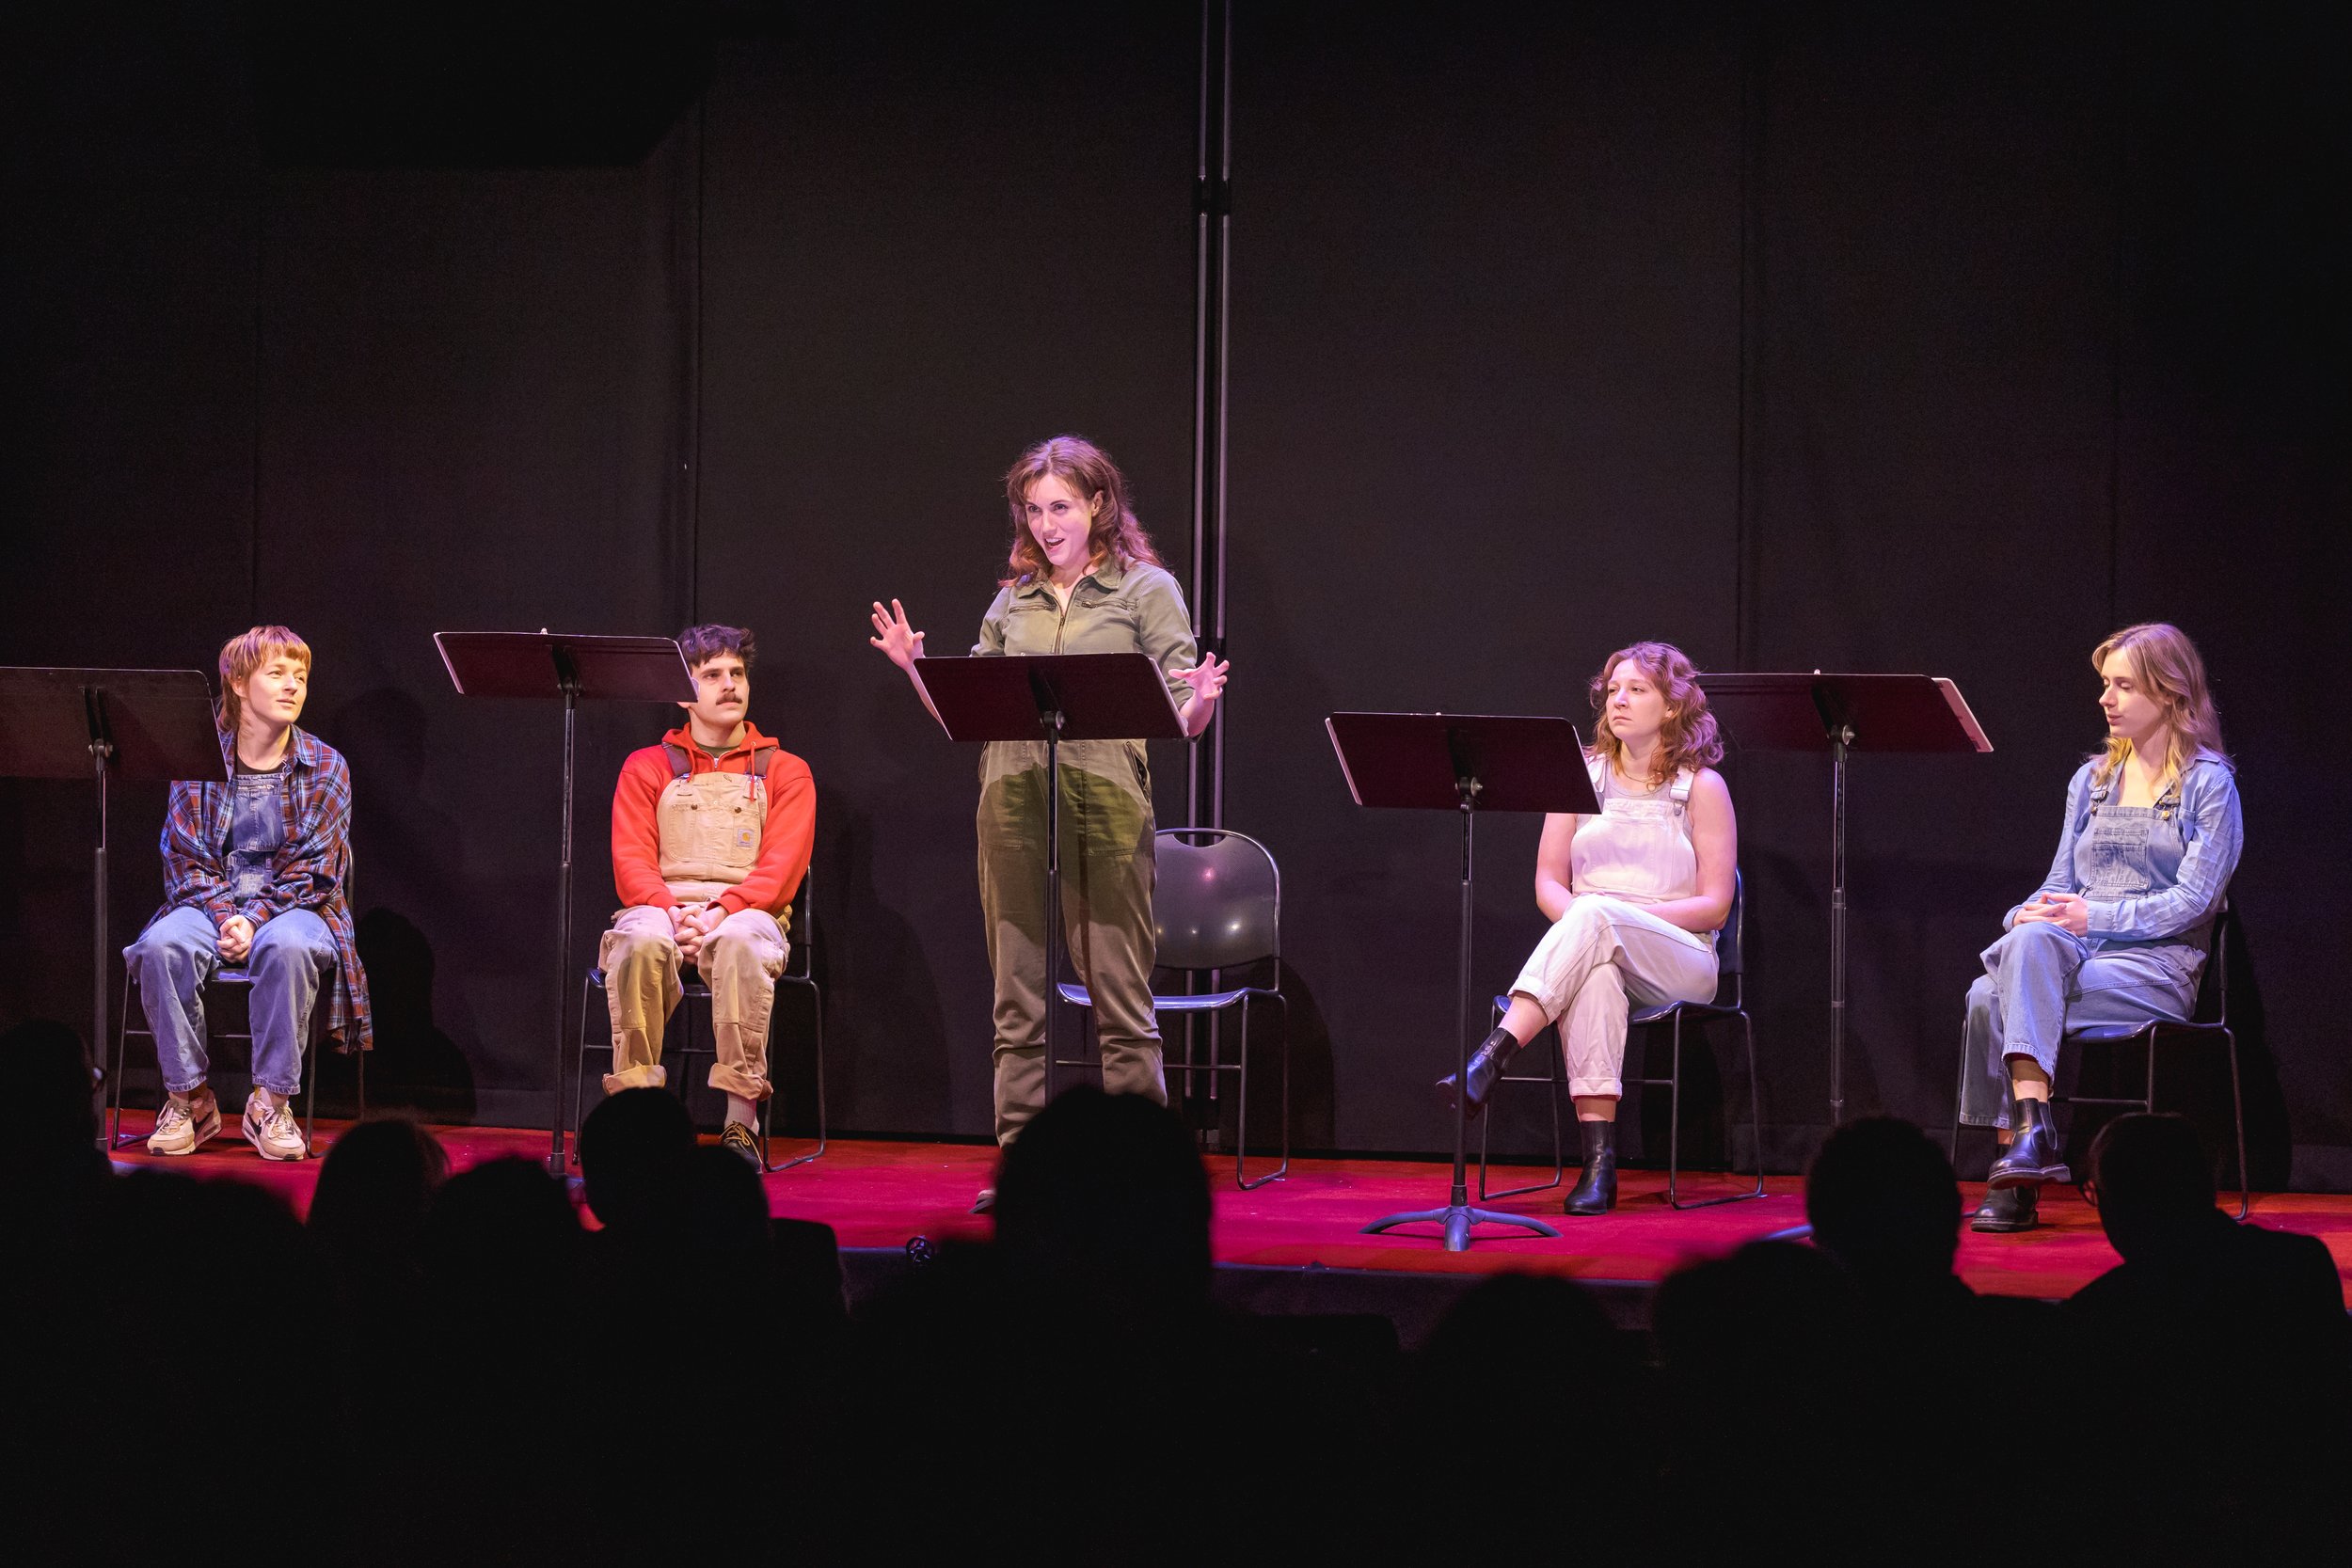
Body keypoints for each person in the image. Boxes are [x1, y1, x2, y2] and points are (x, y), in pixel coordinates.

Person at [870, 436, 1229, 1211]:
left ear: (1098, 504)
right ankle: (1023, 1169)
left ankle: (1136, 1171)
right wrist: (916, 668)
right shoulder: (1013, 600)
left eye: (1060, 506)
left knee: (1119, 993)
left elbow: (1185, 718)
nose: (1045, 524)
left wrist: (1199, 698)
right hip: (1012, 797)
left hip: (1105, 801)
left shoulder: (1146, 589)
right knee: (1017, 994)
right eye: (1033, 510)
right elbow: (965, 714)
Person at [1959, 624, 2242, 1232]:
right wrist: (2022, 914)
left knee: (1990, 992)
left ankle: (2010, 1168)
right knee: (2024, 947)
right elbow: (2058, 881)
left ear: (2169, 694)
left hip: (2157, 966)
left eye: (2122, 686)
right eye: (2104, 684)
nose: (2105, 699)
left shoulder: (2208, 785)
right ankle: (2027, 1144)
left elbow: (2195, 901)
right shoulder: (2091, 782)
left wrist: (2096, 916)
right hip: (2070, 952)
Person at [1438, 641, 1735, 1214]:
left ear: (1672, 706)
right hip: (1596, 946)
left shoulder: (1701, 788)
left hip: (1682, 958)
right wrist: (1598, 921)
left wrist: (1616, 916)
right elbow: (1549, 882)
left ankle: (1495, 1052)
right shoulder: (1578, 775)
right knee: (1595, 976)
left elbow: (1715, 906)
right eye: (1613, 689)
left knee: (1596, 915)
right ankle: (1599, 1165)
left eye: (1637, 690)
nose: (1618, 700)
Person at [123, 626, 369, 1160]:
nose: (292, 687)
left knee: (289, 947)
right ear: (237, 682)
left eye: (300, 676)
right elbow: (185, 857)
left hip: (297, 906)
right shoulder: (195, 756)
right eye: (276, 673)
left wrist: (253, 920)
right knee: (159, 947)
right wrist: (225, 916)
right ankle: (189, 1098)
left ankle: (270, 1105)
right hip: (207, 902)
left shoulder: (327, 767)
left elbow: (313, 871)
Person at [600, 624, 815, 1164]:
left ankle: (740, 1126)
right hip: (660, 908)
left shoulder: (786, 772)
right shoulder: (646, 765)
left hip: (749, 912)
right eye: (712, 675)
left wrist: (720, 912)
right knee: (637, 945)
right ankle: (637, 1122)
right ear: (683, 690)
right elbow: (631, 863)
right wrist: (675, 914)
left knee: (742, 945)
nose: (729, 686)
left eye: (737, 674)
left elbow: (781, 871)